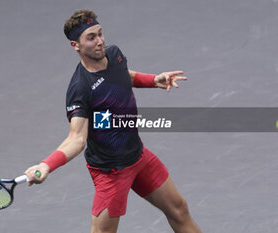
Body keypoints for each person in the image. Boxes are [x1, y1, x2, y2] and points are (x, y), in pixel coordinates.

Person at [24, 9, 202, 233]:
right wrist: (46, 165)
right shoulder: (80, 88)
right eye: (91, 38)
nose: (99, 41)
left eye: (100, 33)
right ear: (75, 45)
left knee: (179, 209)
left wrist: (153, 80)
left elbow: (123, 75)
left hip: (139, 157)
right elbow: (77, 138)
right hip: (111, 172)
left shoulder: (114, 55)